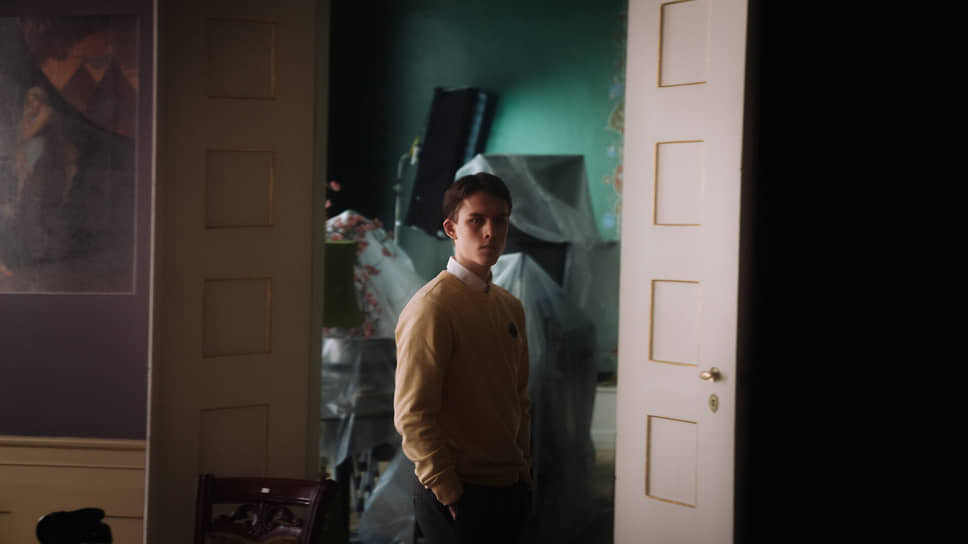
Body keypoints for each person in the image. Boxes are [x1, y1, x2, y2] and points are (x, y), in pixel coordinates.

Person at [393, 172, 532, 544]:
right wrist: (448, 491)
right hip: (459, 491)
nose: (490, 232)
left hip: (509, 485)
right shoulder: (432, 308)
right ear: (451, 228)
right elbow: (413, 414)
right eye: (476, 220)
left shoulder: (509, 306)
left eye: (500, 221)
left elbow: (519, 399)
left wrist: (523, 470)